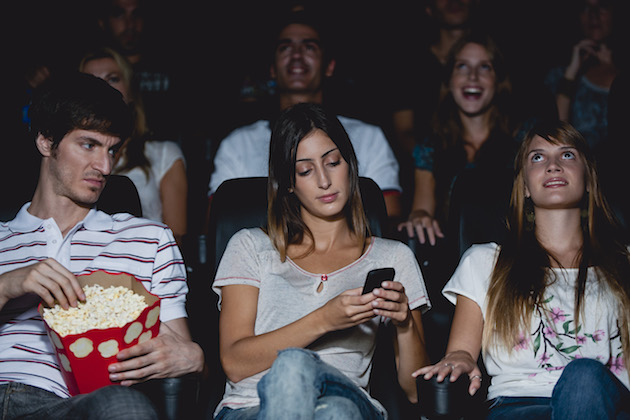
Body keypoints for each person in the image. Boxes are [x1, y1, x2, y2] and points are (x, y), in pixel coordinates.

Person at [0, 71, 204, 419]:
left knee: (124, 406)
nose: (105, 166)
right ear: (46, 142)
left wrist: (194, 357)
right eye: (89, 145)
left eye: (112, 149)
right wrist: (8, 285)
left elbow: (176, 346)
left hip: (76, 406)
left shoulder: (148, 239)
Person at [211, 102, 430, 419]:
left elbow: (414, 392)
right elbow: (234, 363)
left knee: (338, 409)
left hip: (348, 400)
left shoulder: (393, 256)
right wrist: (325, 319)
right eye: (305, 170)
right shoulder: (250, 246)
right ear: (288, 181)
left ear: (349, 164)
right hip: (250, 409)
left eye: (332, 162)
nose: (324, 181)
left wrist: (404, 323)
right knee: (298, 370)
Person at [414, 120, 630, 419]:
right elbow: (461, 351)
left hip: (605, 404)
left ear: (589, 179)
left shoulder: (623, 263)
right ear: (525, 185)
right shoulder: (486, 262)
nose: (553, 165)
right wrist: (457, 361)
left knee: (583, 378)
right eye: (538, 157)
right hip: (518, 406)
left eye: (567, 155)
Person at [207, 8, 403, 226]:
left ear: (329, 66)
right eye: (285, 48)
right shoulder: (237, 143)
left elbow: (386, 220)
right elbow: (219, 225)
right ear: (272, 69)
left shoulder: (369, 137)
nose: (297, 55)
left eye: (309, 46)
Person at [398, 31, 522, 246]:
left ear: (498, 79)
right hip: (454, 260)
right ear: (449, 79)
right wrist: (419, 217)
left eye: (484, 66)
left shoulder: (523, 141)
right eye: (462, 66)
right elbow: (421, 208)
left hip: (515, 256)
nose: (472, 76)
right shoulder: (431, 148)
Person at [79, 46, 188, 248]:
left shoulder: (163, 153)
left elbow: (177, 240)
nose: (103, 88)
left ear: (130, 89)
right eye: (93, 80)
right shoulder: (68, 156)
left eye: (113, 78)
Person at [94, 0, 182, 141]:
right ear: (102, 22)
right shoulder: (91, 67)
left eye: (137, 14)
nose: (130, 24)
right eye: (119, 14)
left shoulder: (174, 63)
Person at [543, 0, 623, 151]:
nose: (594, 14)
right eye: (585, 8)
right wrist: (571, 74)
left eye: (603, 6)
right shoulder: (560, 75)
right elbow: (555, 135)